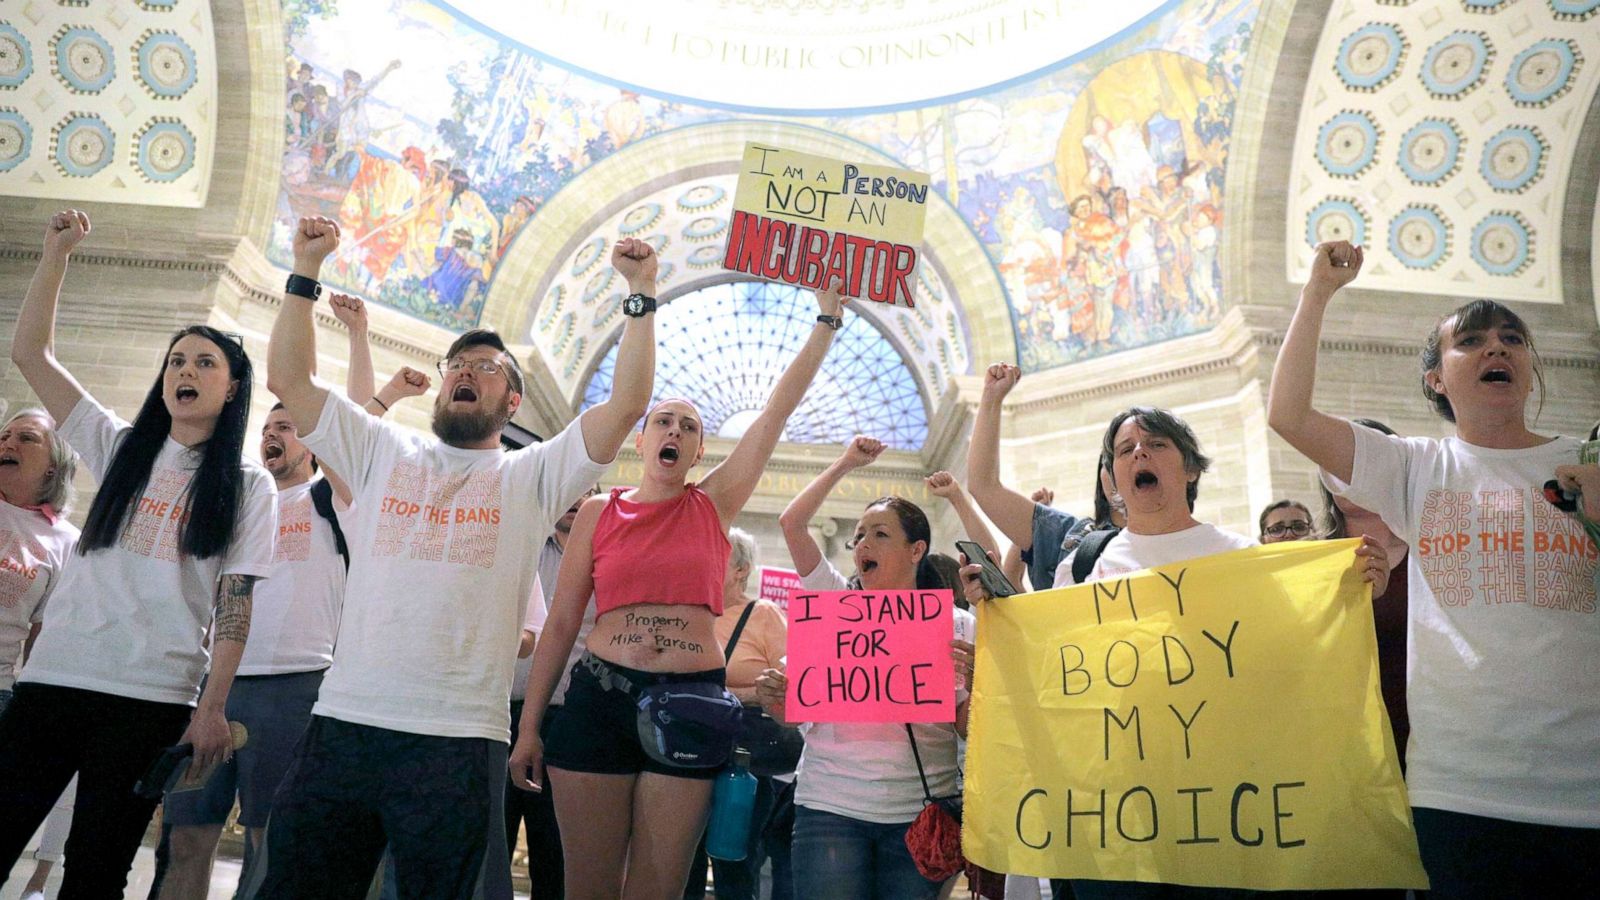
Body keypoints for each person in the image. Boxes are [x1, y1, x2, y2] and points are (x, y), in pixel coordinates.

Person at [246, 218, 657, 899]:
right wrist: (305, 268)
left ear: (512, 400)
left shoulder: (532, 477)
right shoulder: (383, 450)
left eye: (486, 367)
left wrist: (639, 294)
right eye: (456, 365)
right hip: (344, 722)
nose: (465, 371)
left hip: (458, 739)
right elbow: (290, 376)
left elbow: (627, 405)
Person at [1267, 240, 1599, 898]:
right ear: (1435, 380)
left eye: (1511, 338)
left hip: (1587, 787)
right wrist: (1317, 293)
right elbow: (1289, 416)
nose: (1496, 348)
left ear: (1532, 366)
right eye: (1471, 341)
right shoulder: (1416, 468)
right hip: (1459, 792)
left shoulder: (1586, 463)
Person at [962, 406, 1388, 899]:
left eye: (1157, 444)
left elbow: (1293, 653)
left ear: (1190, 468)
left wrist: (1354, 595)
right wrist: (996, 609)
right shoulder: (1086, 564)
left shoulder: (1240, 558)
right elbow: (1051, 665)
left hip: (1220, 807)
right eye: (1125, 450)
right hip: (1115, 810)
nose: (1140, 452)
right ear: (1114, 480)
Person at [514, 277, 851, 900]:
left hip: (692, 702)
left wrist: (825, 324)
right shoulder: (596, 513)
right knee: (585, 885)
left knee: (659, 887)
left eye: (687, 426)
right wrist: (531, 726)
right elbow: (561, 625)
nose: (673, 429)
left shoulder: (712, 504)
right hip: (598, 699)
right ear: (641, 442)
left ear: (696, 451)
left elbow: (776, 411)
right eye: (661, 421)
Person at [0, 210, 277, 896]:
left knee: (96, 870)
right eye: (176, 361)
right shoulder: (121, 446)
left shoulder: (248, 486)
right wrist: (57, 257)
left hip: (151, 697)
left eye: (204, 363)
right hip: (56, 680)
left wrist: (211, 708)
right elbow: (32, 356)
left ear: (232, 387)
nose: (185, 370)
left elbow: (234, 604)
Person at [160, 293, 431, 900]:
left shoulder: (328, 502)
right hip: (215, 684)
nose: (273, 435)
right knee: (187, 836)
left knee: (269, 839)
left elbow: (357, 433)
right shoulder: (238, 502)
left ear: (311, 444)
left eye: (287, 427)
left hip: (295, 686)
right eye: (267, 428)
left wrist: (367, 354)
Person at [753, 435, 975, 900]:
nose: (861, 546)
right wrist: (845, 464)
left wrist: (979, 685)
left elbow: (968, 727)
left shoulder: (956, 625)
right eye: (859, 536)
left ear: (916, 550)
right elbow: (792, 523)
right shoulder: (834, 606)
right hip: (828, 808)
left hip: (918, 814)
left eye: (879, 534)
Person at [682, 527, 792, 900]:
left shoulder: (764, 615)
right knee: (682, 863)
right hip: (686, 754)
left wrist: (729, 694)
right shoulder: (687, 611)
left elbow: (789, 684)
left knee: (735, 865)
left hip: (743, 761)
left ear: (741, 569)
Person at [507, 485, 599, 900]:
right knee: (493, 837)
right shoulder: (520, 546)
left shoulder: (603, 560)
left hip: (567, 720)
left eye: (588, 492)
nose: (578, 499)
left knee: (556, 850)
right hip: (502, 712)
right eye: (571, 489)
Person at [1316, 419, 1411, 765]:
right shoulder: (1307, 563)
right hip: (1340, 740)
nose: (1353, 474)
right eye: (1340, 462)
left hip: (1420, 735)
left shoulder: (1431, 554)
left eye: (1366, 461)